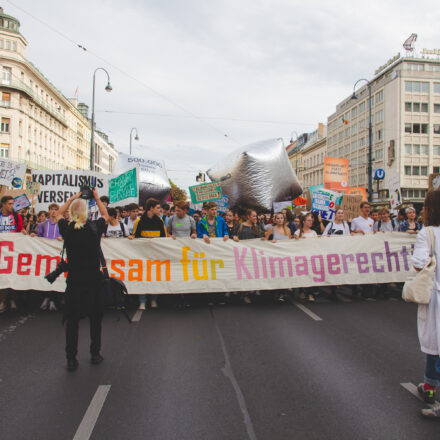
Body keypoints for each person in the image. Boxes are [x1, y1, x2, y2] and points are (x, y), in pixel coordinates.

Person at [56, 190, 109, 371]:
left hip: (74, 281)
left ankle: (71, 358)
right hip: (94, 281)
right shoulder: (94, 228)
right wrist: (95, 197)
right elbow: (105, 215)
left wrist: (72, 198)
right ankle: (95, 354)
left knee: (72, 322)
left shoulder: (68, 229)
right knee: (95, 320)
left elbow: (57, 214)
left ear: (70, 213)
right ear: (87, 213)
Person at [411, 190, 440, 418]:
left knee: (435, 343)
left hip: (436, 297)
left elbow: (419, 264)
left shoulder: (427, 234)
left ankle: (431, 389)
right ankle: (429, 385)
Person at [131, 198, 167, 309]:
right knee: (142, 278)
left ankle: (153, 299)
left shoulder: (160, 221)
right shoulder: (139, 221)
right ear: (151, 208)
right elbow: (134, 237)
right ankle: (142, 301)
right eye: (157, 208)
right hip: (142, 255)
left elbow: (164, 237)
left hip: (155, 255)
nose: (159, 210)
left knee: (154, 277)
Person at [32, 203, 63, 312]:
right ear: (48, 211)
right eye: (52, 209)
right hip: (46, 256)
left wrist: (62, 239)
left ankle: (54, 300)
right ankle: (46, 297)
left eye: (56, 209)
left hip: (57, 255)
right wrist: (34, 236)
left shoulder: (61, 224)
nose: (54, 212)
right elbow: (39, 237)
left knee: (56, 276)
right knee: (46, 276)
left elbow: (67, 237)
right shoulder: (43, 224)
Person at [0, 196, 26, 312]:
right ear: (3, 204)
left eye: (12, 204)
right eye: (10, 204)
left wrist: (26, 233)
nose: (12, 206)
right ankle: (2, 300)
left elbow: (21, 230)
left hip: (13, 251)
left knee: (13, 275)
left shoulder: (16, 216)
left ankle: (11, 299)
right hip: (1, 252)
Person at [233, 209, 264, 304]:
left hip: (253, 255)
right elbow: (233, 236)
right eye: (254, 216)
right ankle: (244, 294)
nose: (256, 218)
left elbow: (261, 238)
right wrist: (234, 237)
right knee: (244, 275)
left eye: (256, 216)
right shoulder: (240, 226)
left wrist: (264, 239)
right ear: (248, 216)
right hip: (242, 255)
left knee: (252, 274)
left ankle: (250, 292)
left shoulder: (257, 227)